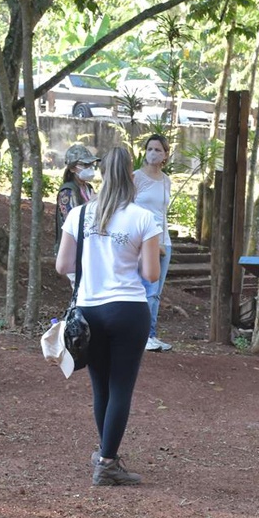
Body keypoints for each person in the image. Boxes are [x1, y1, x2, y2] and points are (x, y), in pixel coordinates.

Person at [56, 146, 162, 486]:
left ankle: (107, 455)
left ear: (101, 175)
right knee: (121, 388)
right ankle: (106, 461)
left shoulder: (81, 215)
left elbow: (62, 265)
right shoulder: (143, 217)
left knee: (100, 387)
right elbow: (151, 274)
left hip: (89, 309)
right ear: (132, 175)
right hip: (129, 309)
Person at [133, 134, 173, 352]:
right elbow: (127, 208)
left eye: (158, 150)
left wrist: (165, 241)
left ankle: (151, 334)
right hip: (142, 240)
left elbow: (163, 213)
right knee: (143, 289)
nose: (153, 154)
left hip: (162, 239)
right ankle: (138, 335)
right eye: (150, 149)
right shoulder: (136, 177)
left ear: (166, 154)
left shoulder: (166, 180)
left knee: (156, 291)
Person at [54, 143, 98, 253]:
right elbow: (70, 221)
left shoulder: (88, 187)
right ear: (73, 168)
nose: (90, 168)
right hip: (72, 249)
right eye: (85, 165)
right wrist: (90, 205)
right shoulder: (67, 192)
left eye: (91, 164)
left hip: (87, 245)